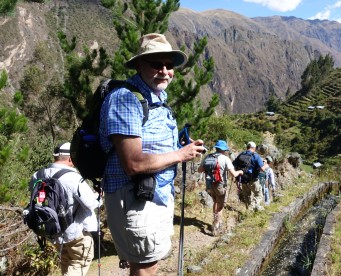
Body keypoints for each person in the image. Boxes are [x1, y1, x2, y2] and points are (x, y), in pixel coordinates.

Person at [99, 33, 205, 275]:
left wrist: (178, 145)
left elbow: (148, 143)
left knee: (150, 263)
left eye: (169, 65)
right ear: (139, 65)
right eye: (157, 64)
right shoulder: (126, 99)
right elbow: (133, 163)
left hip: (154, 194)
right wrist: (181, 154)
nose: (165, 71)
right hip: (135, 196)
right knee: (145, 267)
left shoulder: (155, 98)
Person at [29, 142, 101, 276]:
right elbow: (90, 203)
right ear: (70, 159)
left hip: (53, 230)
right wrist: (98, 196)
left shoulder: (37, 176)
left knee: (66, 262)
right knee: (79, 261)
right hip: (75, 232)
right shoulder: (73, 177)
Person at [198, 140, 243, 236]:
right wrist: (239, 172)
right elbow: (233, 174)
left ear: (216, 148)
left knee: (215, 202)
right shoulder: (225, 159)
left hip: (209, 185)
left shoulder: (208, 157)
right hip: (220, 185)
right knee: (220, 206)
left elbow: (200, 170)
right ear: (224, 150)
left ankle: (214, 221)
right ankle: (216, 226)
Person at [237, 142, 268, 211]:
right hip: (253, 180)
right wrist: (265, 164)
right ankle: (251, 208)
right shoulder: (256, 156)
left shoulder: (241, 155)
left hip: (243, 179)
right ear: (254, 148)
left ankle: (249, 211)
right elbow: (262, 169)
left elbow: (234, 164)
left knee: (247, 196)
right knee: (259, 195)